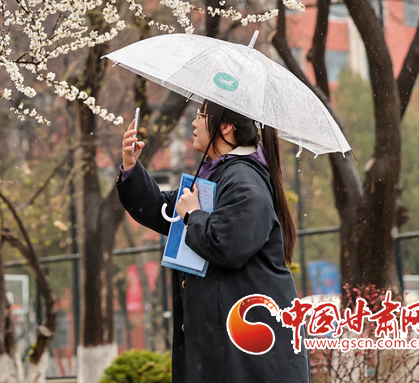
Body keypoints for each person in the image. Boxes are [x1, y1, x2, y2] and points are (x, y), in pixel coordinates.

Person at [117, 100, 309, 382]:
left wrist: (193, 214)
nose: (194, 123)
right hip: (228, 350)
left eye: (201, 115)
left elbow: (227, 245)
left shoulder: (245, 181)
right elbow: (162, 211)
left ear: (226, 127)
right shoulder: (216, 175)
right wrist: (131, 166)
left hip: (250, 356)